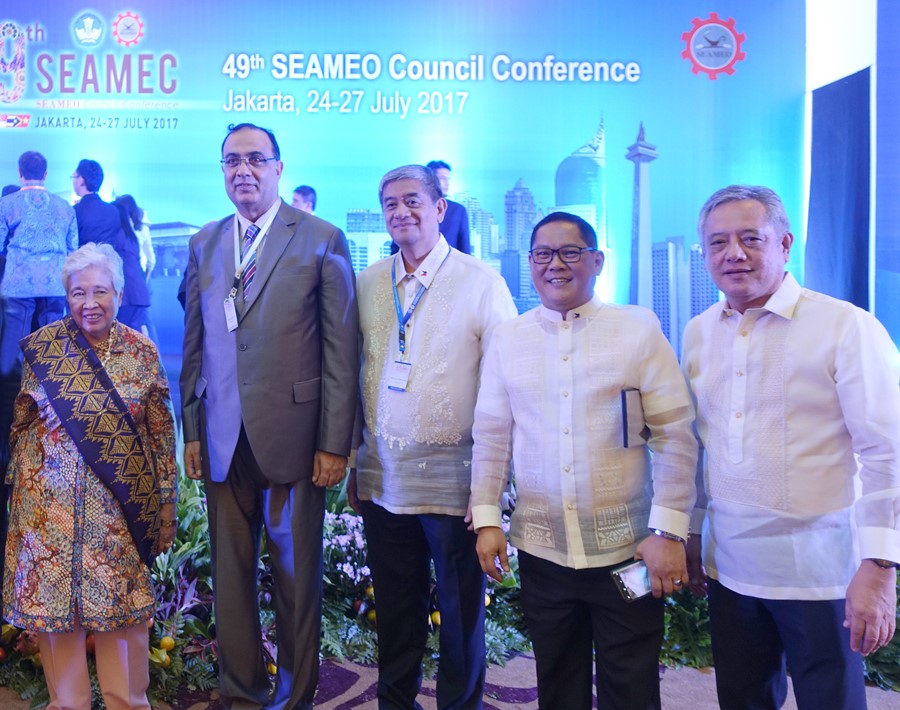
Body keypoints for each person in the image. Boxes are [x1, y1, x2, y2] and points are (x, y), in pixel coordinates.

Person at [682, 185, 900, 710]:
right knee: (742, 700)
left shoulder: (845, 327)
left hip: (821, 574)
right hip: (730, 567)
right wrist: (691, 534)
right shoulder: (697, 333)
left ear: (785, 243)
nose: (733, 253)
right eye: (718, 243)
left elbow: (888, 452)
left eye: (750, 239)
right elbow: (696, 446)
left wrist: (879, 567)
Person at [470, 211, 698, 709]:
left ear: (596, 260)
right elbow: (490, 436)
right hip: (542, 549)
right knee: (557, 677)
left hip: (629, 550)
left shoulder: (636, 332)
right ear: (529, 263)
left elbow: (676, 436)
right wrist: (487, 518)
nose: (556, 264)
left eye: (570, 252)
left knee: (632, 678)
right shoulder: (510, 339)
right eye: (542, 254)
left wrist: (667, 532)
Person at [180, 122, 358, 709]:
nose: (242, 171)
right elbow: (196, 341)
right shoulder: (205, 242)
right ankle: (244, 695)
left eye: (255, 159)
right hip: (223, 439)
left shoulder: (320, 237)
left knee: (295, 582)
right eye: (231, 161)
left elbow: (341, 350)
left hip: (296, 440)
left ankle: (293, 699)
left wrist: (336, 441)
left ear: (279, 167)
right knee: (231, 586)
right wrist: (193, 429)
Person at [348, 164, 516, 709]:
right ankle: (395, 701)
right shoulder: (369, 280)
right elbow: (355, 370)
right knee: (396, 607)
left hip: (456, 479)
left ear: (440, 208)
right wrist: (355, 458)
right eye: (390, 204)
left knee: (461, 611)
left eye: (413, 201)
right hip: (382, 474)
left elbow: (505, 383)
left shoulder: (480, 281)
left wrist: (491, 489)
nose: (401, 212)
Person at [3, 242, 177, 709]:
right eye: (78, 293)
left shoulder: (141, 353)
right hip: (50, 521)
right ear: (66, 297)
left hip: (118, 518)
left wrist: (165, 505)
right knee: (59, 630)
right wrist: (27, 504)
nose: (89, 303)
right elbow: (21, 427)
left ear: (119, 293)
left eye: (100, 291)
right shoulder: (45, 350)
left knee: (121, 627)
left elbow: (161, 437)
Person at [0, 151, 80, 614]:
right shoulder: (63, 206)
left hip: (15, 284)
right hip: (53, 282)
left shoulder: (8, 205)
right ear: (46, 175)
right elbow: (73, 247)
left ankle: (14, 389)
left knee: (12, 352)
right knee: (50, 345)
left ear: (19, 173)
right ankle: (49, 388)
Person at [72, 160, 151, 335]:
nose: (73, 180)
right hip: (109, 281)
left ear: (82, 180)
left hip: (84, 282)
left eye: (75, 176)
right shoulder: (112, 212)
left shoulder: (75, 212)